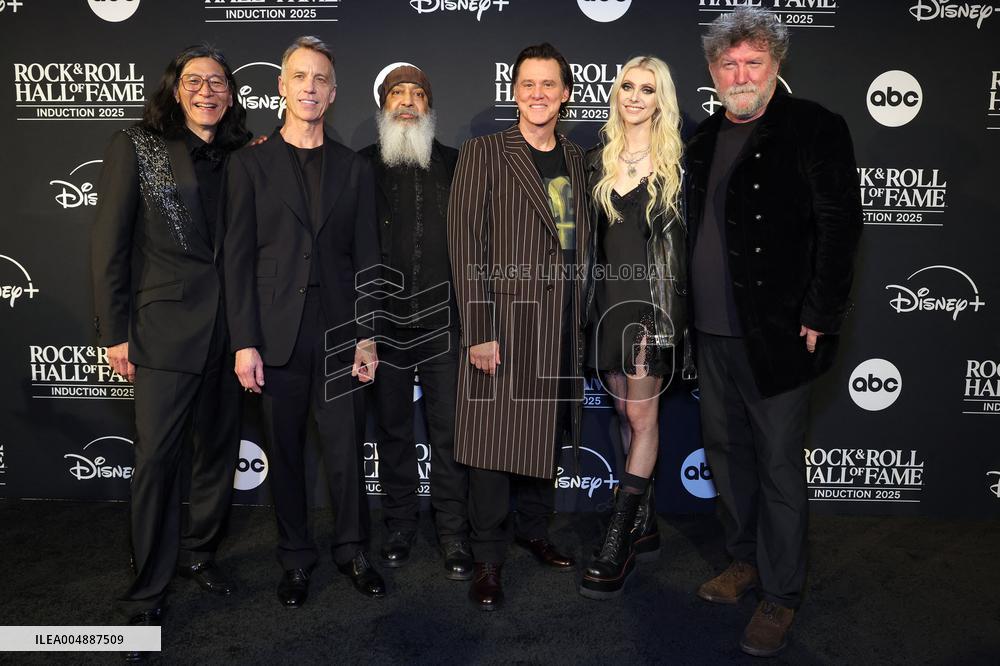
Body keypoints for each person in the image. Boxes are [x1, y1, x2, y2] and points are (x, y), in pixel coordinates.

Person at [687, 8, 862, 656]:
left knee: (781, 468)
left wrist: (820, 312)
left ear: (775, 64)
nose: (740, 74)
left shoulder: (814, 128)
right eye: (728, 64)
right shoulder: (702, 138)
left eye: (752, 62)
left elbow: (840, 229)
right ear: (712, 71)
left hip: (780, 337)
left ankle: (781, 595)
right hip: (709, 335)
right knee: (728, 459)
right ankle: (745, 561)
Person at [91, 43, 250, 654]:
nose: (207, 90)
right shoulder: (138, 147)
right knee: (158, 462)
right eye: (194, 81)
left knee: (218, 453)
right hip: (163, 331)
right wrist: (114, 331)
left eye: (217, 82)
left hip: (232, 335)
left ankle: (199, 554)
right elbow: (109, 247)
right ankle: (146, 591)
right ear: (175, 90)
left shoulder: (243, 156)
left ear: (231, 94)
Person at [224, 35, 384, 607]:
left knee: (344, 451)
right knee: (285, 453)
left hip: (341, 330)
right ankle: (295, 559)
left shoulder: (353, 168)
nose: (310, 87)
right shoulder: (250, 164)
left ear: (334, 92)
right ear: (281, 86)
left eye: (320, 79)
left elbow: (368, 255)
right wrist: (245, 342)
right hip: (273, 334)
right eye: (300, 77)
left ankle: (353, 551)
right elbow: (237, 261)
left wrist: (367, 334)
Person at [448, 42, 591, 611]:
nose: (538, 94)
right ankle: (488, 556)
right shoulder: (483, 152)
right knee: (490, 443)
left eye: (549, 84)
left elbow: (582, 244)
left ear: (566, 94)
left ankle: (534, 530)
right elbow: (465, 247)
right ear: (514, 92)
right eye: (528, 84)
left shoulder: (580, 159)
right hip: (501, 327)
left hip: (560, 326)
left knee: (546, 433)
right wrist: (479, 327)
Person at [579, 55, 692, 600]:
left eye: (647, 90)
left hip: (649, 310)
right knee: (625, 412)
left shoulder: (674, 165)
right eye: (627, 85)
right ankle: (644, 522)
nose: (635, 97)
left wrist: (662, 320)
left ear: (660, 100)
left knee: (643, 416)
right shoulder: (598, 161)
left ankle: (618, 539)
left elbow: (678, 258)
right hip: (606, 306)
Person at [358, 66, 472, 580]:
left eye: (418, 94)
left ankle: (453, 533)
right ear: (383, 104)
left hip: (444, 321)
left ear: (430, 106)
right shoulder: (359, 168)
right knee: (393, 431)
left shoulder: (457, 163)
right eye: (398, 94)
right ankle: (399, 525)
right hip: (382, 325)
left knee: (449, 434)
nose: (408, 102)